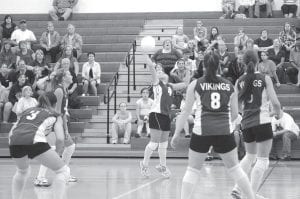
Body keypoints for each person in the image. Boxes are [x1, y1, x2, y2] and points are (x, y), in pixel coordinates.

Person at [171, 52, 255, 199]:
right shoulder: (229, 85)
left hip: (201, 132)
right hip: (224, 132)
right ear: (219, 66)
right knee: (235, 169)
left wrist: (177, 133)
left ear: (203, 65)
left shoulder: (195, 84)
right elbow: (235, 114)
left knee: (192, 170)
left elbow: (185, 112)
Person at [231, 50, 282, 199]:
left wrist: (245, 113)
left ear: (243, 62)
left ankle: (237, 188)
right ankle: (250, 195)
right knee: (262, 161)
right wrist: (277, 113)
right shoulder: (265, 78)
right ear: (257, 61)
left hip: (246, 123)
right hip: (262, 122)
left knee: (249, 156)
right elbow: (276, 103)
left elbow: (237, 107)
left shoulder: (239, 80)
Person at [9, 92, 69, 199]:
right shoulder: (55, 115)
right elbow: (60, 139)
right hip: (34, 140)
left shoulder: (27, 111)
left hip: (14, 141)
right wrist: (57, 154)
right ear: (55, 104)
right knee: (63, 171)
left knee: (22, 171)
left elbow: (12, 131)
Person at [139, 53, 189, 179]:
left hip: (166, 116)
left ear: (165, 73)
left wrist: (188, 70)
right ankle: (144, 165)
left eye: (161, 70)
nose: (159, 71)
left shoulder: (170, 86)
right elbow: (151, 67)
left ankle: (162, 165)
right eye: (157, 70)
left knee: (163, 144)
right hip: (156, 114)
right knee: (154, 143)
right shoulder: (157, 83)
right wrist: (147, 55)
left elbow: (185, 84)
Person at [34, 69, 77, 186]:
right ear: (63, 78)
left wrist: (65, 128)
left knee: (70, 146)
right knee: (51, 150)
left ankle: (63, 173)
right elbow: (56, 111)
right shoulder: (59, 90)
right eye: (69, 74)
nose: (71, 76)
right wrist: (58, 127)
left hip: (58, 120)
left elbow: (62, 111)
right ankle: (40, 177)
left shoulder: (64, 89)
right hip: (54, 121)